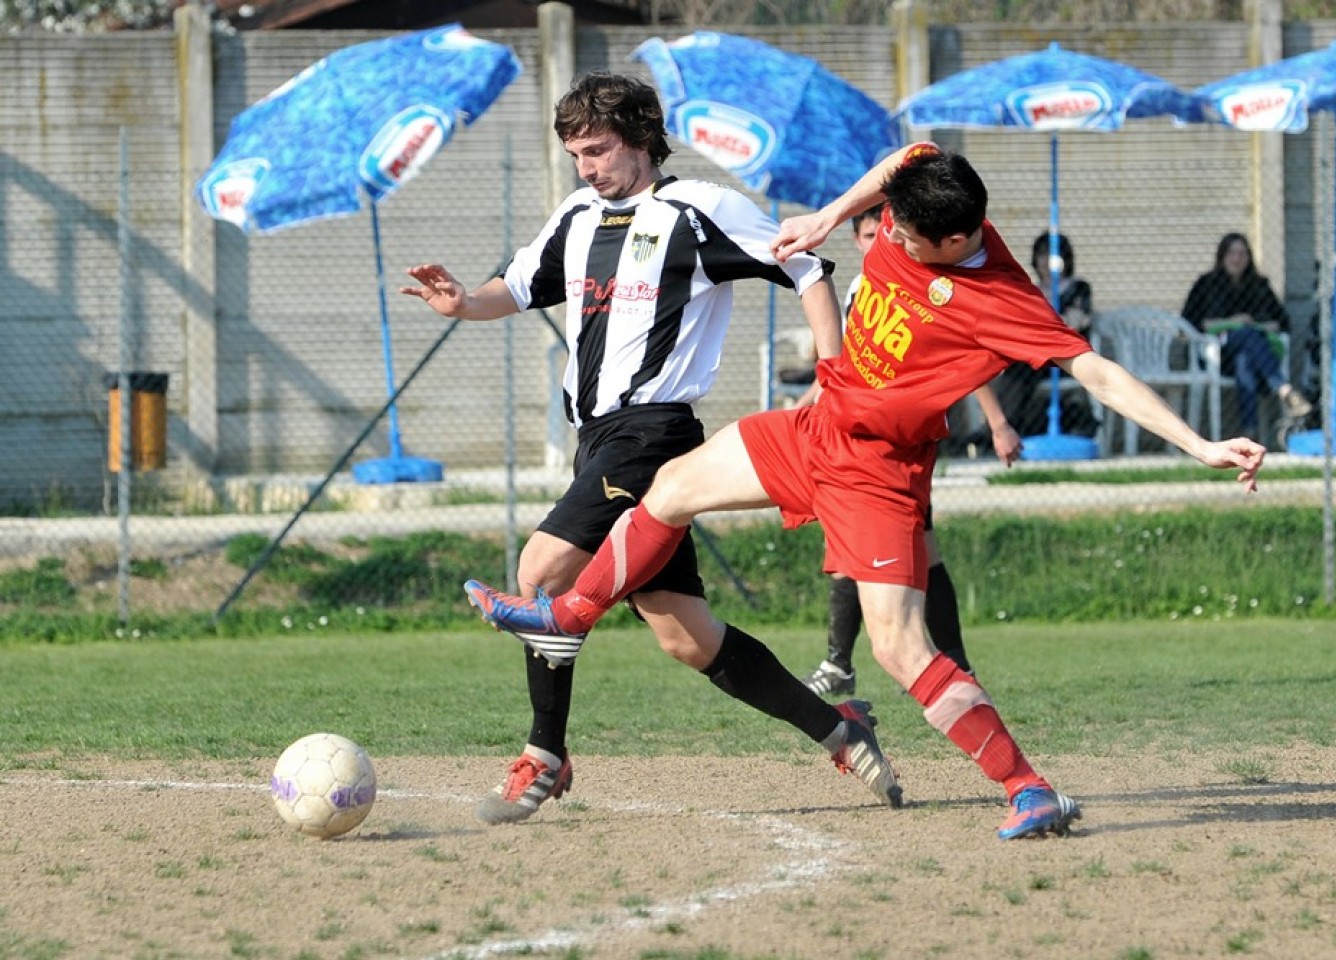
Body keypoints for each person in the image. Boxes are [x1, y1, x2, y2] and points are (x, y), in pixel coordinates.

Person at [463, 142, 1268, 840]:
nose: (896, 245)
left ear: (960, 239)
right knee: (671, 488)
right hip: (818, 428)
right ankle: (568, 619)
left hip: (879, 472)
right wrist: (828, 216)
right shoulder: (919, 191)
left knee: (898, 648)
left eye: (910, 240)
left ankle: (1029, 788)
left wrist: (1198, 443)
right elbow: (907, 156)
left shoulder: (1002, 299)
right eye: (892, 227)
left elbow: (1095, 369)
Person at [400, 71, 902, 824]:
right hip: (597, 439)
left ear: (640, 136)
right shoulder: (576, 214)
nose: (587, 167)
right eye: (575, 153)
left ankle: (544, 756)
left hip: (655, 433)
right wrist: (464, 302)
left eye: (598, 149)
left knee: (539, 572)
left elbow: (805, 266)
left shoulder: (698, 210)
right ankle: (838, 727)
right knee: (684, 635)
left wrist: (832, 382)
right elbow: (519, 282)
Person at [801, 205, 1020, 697]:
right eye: (868, 233)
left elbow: (965, 363)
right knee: (864, 554)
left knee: (912, 553)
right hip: (854, 439)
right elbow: (838, 368)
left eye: (881, 230)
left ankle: (925, 662)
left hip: (898, 447)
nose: (879, 239)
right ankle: (852, 662)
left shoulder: (923, 286)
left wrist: (998, 422)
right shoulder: (864, 287)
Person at [1181, 232, 1313, 438]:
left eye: (1242, 253)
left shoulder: (1258, 286)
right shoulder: (1206, 284)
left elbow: (1283, 322)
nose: (1237, 258)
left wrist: (1258, 326)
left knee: (1246, 362)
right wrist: (1231, 323)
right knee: (1244, 333)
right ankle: (1283, 389)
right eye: (1232, 253)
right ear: (1222, 256)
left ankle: (1248, 434)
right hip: (1215, 353)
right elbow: (1190, 323)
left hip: (1253, 355)